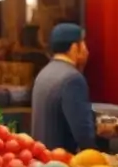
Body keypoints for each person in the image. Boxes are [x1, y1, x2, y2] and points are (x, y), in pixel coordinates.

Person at [30, 23, 97, 153]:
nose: (87, 50)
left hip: (42, 157)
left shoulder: (44, 72)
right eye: (83, 43)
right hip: (62, 162)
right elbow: (82, 131)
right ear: (74, 48)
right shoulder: (73, 79)